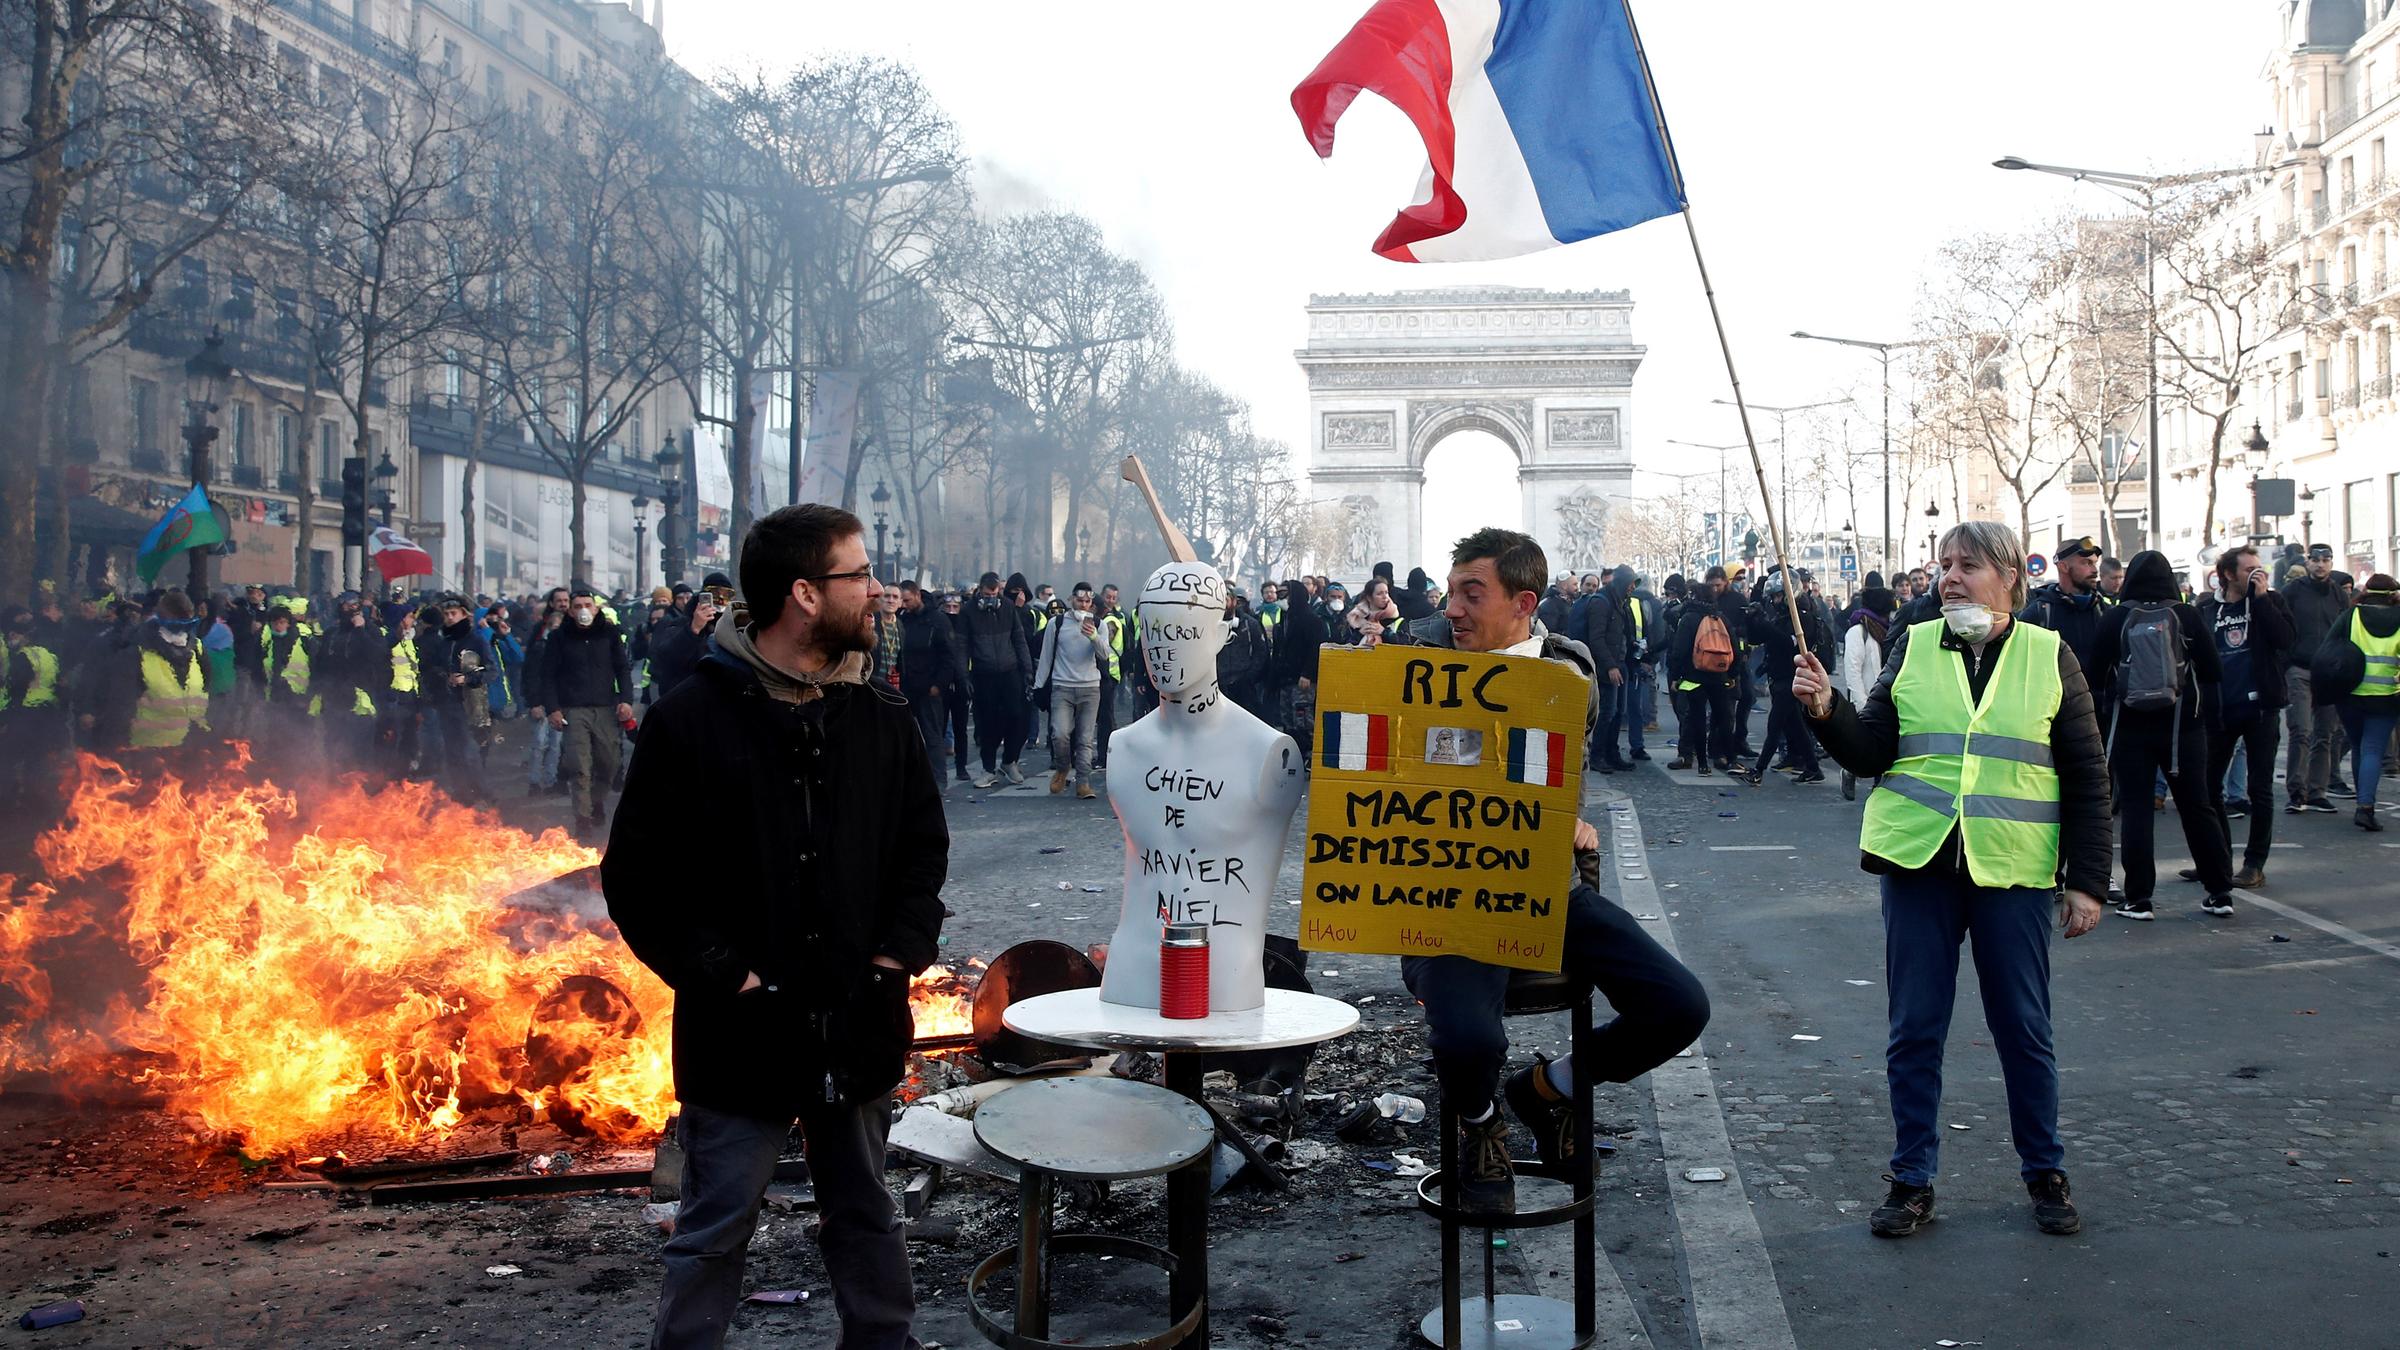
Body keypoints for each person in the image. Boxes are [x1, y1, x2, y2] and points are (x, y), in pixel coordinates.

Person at [604, 503, 947, 1350]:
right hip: (740, 1034)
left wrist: (888, 960)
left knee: (867, 1216)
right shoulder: (690, 719)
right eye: (858, 575)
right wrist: (726, 973)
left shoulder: (881, 720)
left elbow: (921, 855)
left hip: (857, 1020)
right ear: (803, 593)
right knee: (713, 1231)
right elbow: (638, 878)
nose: (878, 591)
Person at [1373, 527, 1709, 1214]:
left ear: (1524, 601)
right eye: (1450, 592)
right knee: (1468, 1037)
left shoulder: (1570, 669)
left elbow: (1560, 771)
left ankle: (1547, 1088)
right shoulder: (1413, 657)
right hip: (1447, 899)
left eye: (1473, 594)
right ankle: (1480, 1125)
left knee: (1680, 1006)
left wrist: (1568, 817)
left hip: (1544, 888)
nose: (1453, 609)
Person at [1793, 519, 2109, 1240]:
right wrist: (1824, 708)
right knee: (1915, 1031)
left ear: (2009, 580)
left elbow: (2088, 777)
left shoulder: (2049, 654)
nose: (1950, 577)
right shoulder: (1913, 647)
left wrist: (2088, 881)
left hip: (2013, 870)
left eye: (1968, 565)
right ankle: (1912, 1180)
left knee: (2024, 1030)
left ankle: (2045, 1172)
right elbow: (1871, 750)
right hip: (1919, 864)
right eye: (1944, 565)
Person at [2089, 551, 2234, 919]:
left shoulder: (2117, 617)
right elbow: (2214, 670)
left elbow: (2093, 673)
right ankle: (2219, 891)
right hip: (2183, 727)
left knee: (2137, 809)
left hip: (2130, 727)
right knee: (2197, 806)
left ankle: (2139, 898)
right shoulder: (2186, 615)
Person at [2197, 546, 2294, 885]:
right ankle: (2216, 858)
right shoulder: (2207, 606)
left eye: (2259, 567)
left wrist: (2263, 598)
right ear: (2228, 573)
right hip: (2220, 709)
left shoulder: (2270, 600)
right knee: (2208, 788)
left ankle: (2254, 864)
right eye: (2249, 569)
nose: (2257, 573)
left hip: (2261, 709)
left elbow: (2285, 640)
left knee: (2259, 787)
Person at [528, 586, 636, 839]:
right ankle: (583, 818)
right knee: (580, 766)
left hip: (606, 709)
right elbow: (548, 676)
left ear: (596, 608)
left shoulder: (609, 634)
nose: (583, 611)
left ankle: (596, 800)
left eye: (587, 606)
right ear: (570, 611)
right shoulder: (559, 637)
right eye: (578, 607)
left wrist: (626, 700)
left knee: (609, 765)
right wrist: (553, 708)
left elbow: (622, 668)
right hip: (574, 710)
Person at [2311, 572, 2400, 831]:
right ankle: (2365, 807)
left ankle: (2364, 804)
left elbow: (2327, 652)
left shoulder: (2351, 616)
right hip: (2387, 697)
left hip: (2350, 695)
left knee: (2360, 747)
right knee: (2373, 749)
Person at [1032, 583, 1116, 799]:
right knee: (1060, 733)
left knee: (1085, 739)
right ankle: (1062, 767)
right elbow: (1047, 655)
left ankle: (1083, 782)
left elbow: (1105, 654)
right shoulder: (1056, 623)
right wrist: (1038, 685)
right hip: (1062, 686)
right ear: (1071, 600)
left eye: (1088, 602)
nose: (1084, 605)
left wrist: (1093, 636)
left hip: (1090, 688)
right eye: (1080, 601)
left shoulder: (1099, 624)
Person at [2280, 543, 2346, 813]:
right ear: (2308, 562)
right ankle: (2297, 792)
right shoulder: (2293, 591)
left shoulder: (2339, 594)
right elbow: (2281, 626)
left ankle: (2317, 791)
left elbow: (2346, 631)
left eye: (2325, 559)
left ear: (2331, 563)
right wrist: (2284, 661)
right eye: (2315, 559)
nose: (2320, 564)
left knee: (2325, 734)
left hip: (2329, 672)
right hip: (2300, 668)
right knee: (2301, 730)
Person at [962, 572, 1032, 788]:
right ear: (980, 591)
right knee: (988, 723)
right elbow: (962, 647)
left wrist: (1027, 669)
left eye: (995, 593)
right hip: (984, 673)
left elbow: (1019, 639)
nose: (992, 597)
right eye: (987, 593)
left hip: (1009, 671)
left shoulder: (1008, 608)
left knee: (1017, 717)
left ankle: (1009, 760)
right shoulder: (969, 612)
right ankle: (988, 768)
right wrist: (964, 676)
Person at [1666, 566, 1739, 774]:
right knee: (1722, 717)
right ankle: (1727, 756)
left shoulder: (1689, 618)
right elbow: (1733, 648)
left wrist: (1676, 675)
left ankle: (1698, 762)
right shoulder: (1721, 618)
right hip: (1719, 676)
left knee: (1695, 718)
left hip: (1694, 676)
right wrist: (1732, 674)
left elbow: (1679, 651)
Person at [2019, 535, 2110, 677]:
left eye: (2095, 563)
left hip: (2100, 698)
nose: (2094, 570)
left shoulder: (2105, 611)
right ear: (2064, 567)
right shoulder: (2039, 614)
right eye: (2086, 563)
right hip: (2057, 698)